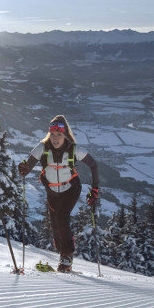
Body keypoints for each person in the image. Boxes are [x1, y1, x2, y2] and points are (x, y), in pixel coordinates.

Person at [18, 116, 99, 272]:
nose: (55, 138)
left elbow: (93, 165)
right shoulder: (42, 148)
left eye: (59, 134)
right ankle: (63, 253)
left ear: (65, 135)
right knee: (55, 223)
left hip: (71, 189)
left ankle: (67, 257)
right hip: (52, 191)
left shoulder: (74, 149)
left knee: (62, 217)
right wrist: (23, 169)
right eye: (53, 134)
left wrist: (94, 189)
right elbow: (27, 167)